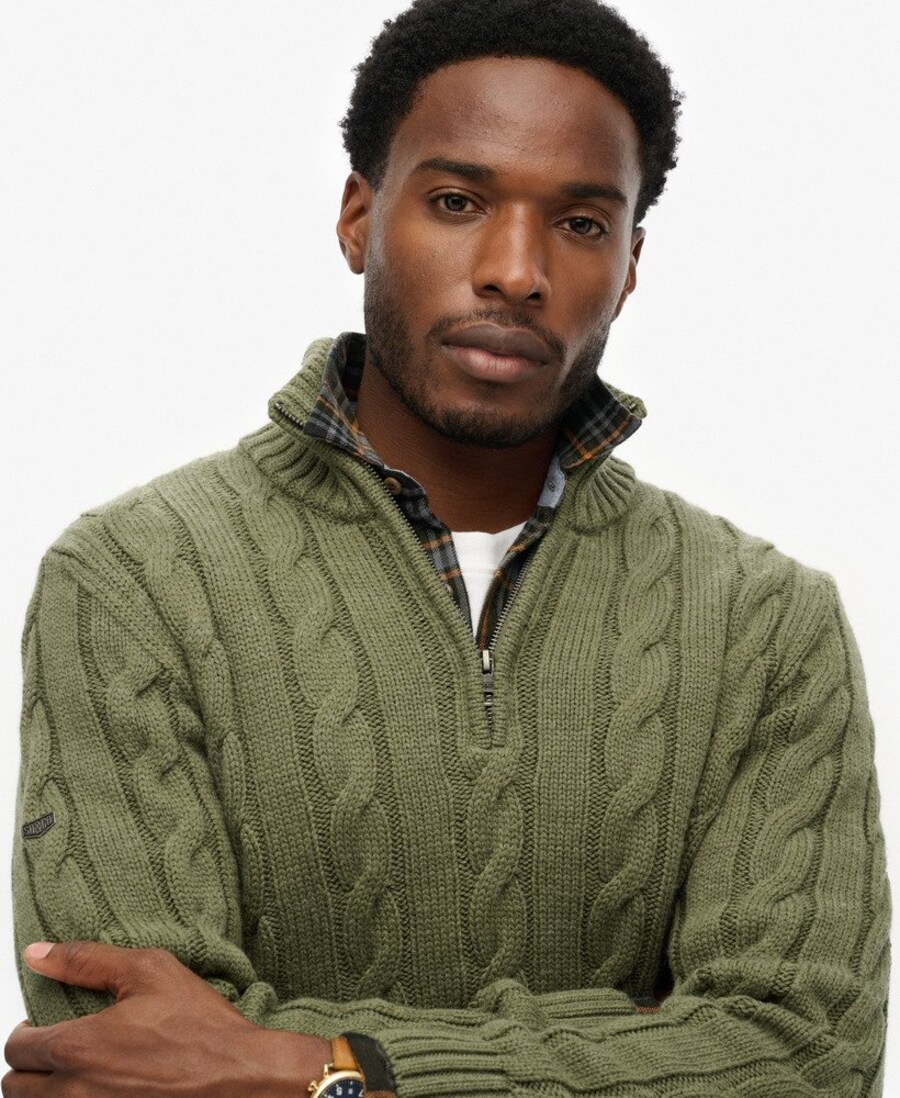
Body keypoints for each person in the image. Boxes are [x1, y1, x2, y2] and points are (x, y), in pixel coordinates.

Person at [5, 0, 890, 1094]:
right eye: (459, 202)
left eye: (581, 223)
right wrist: (649, 1048)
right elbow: (122, 1057)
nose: (516, 270)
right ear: (358, 219)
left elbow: (808, 1053)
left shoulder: (769, 621)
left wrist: (326, 1071)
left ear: (630, 265)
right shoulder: (133, 579)